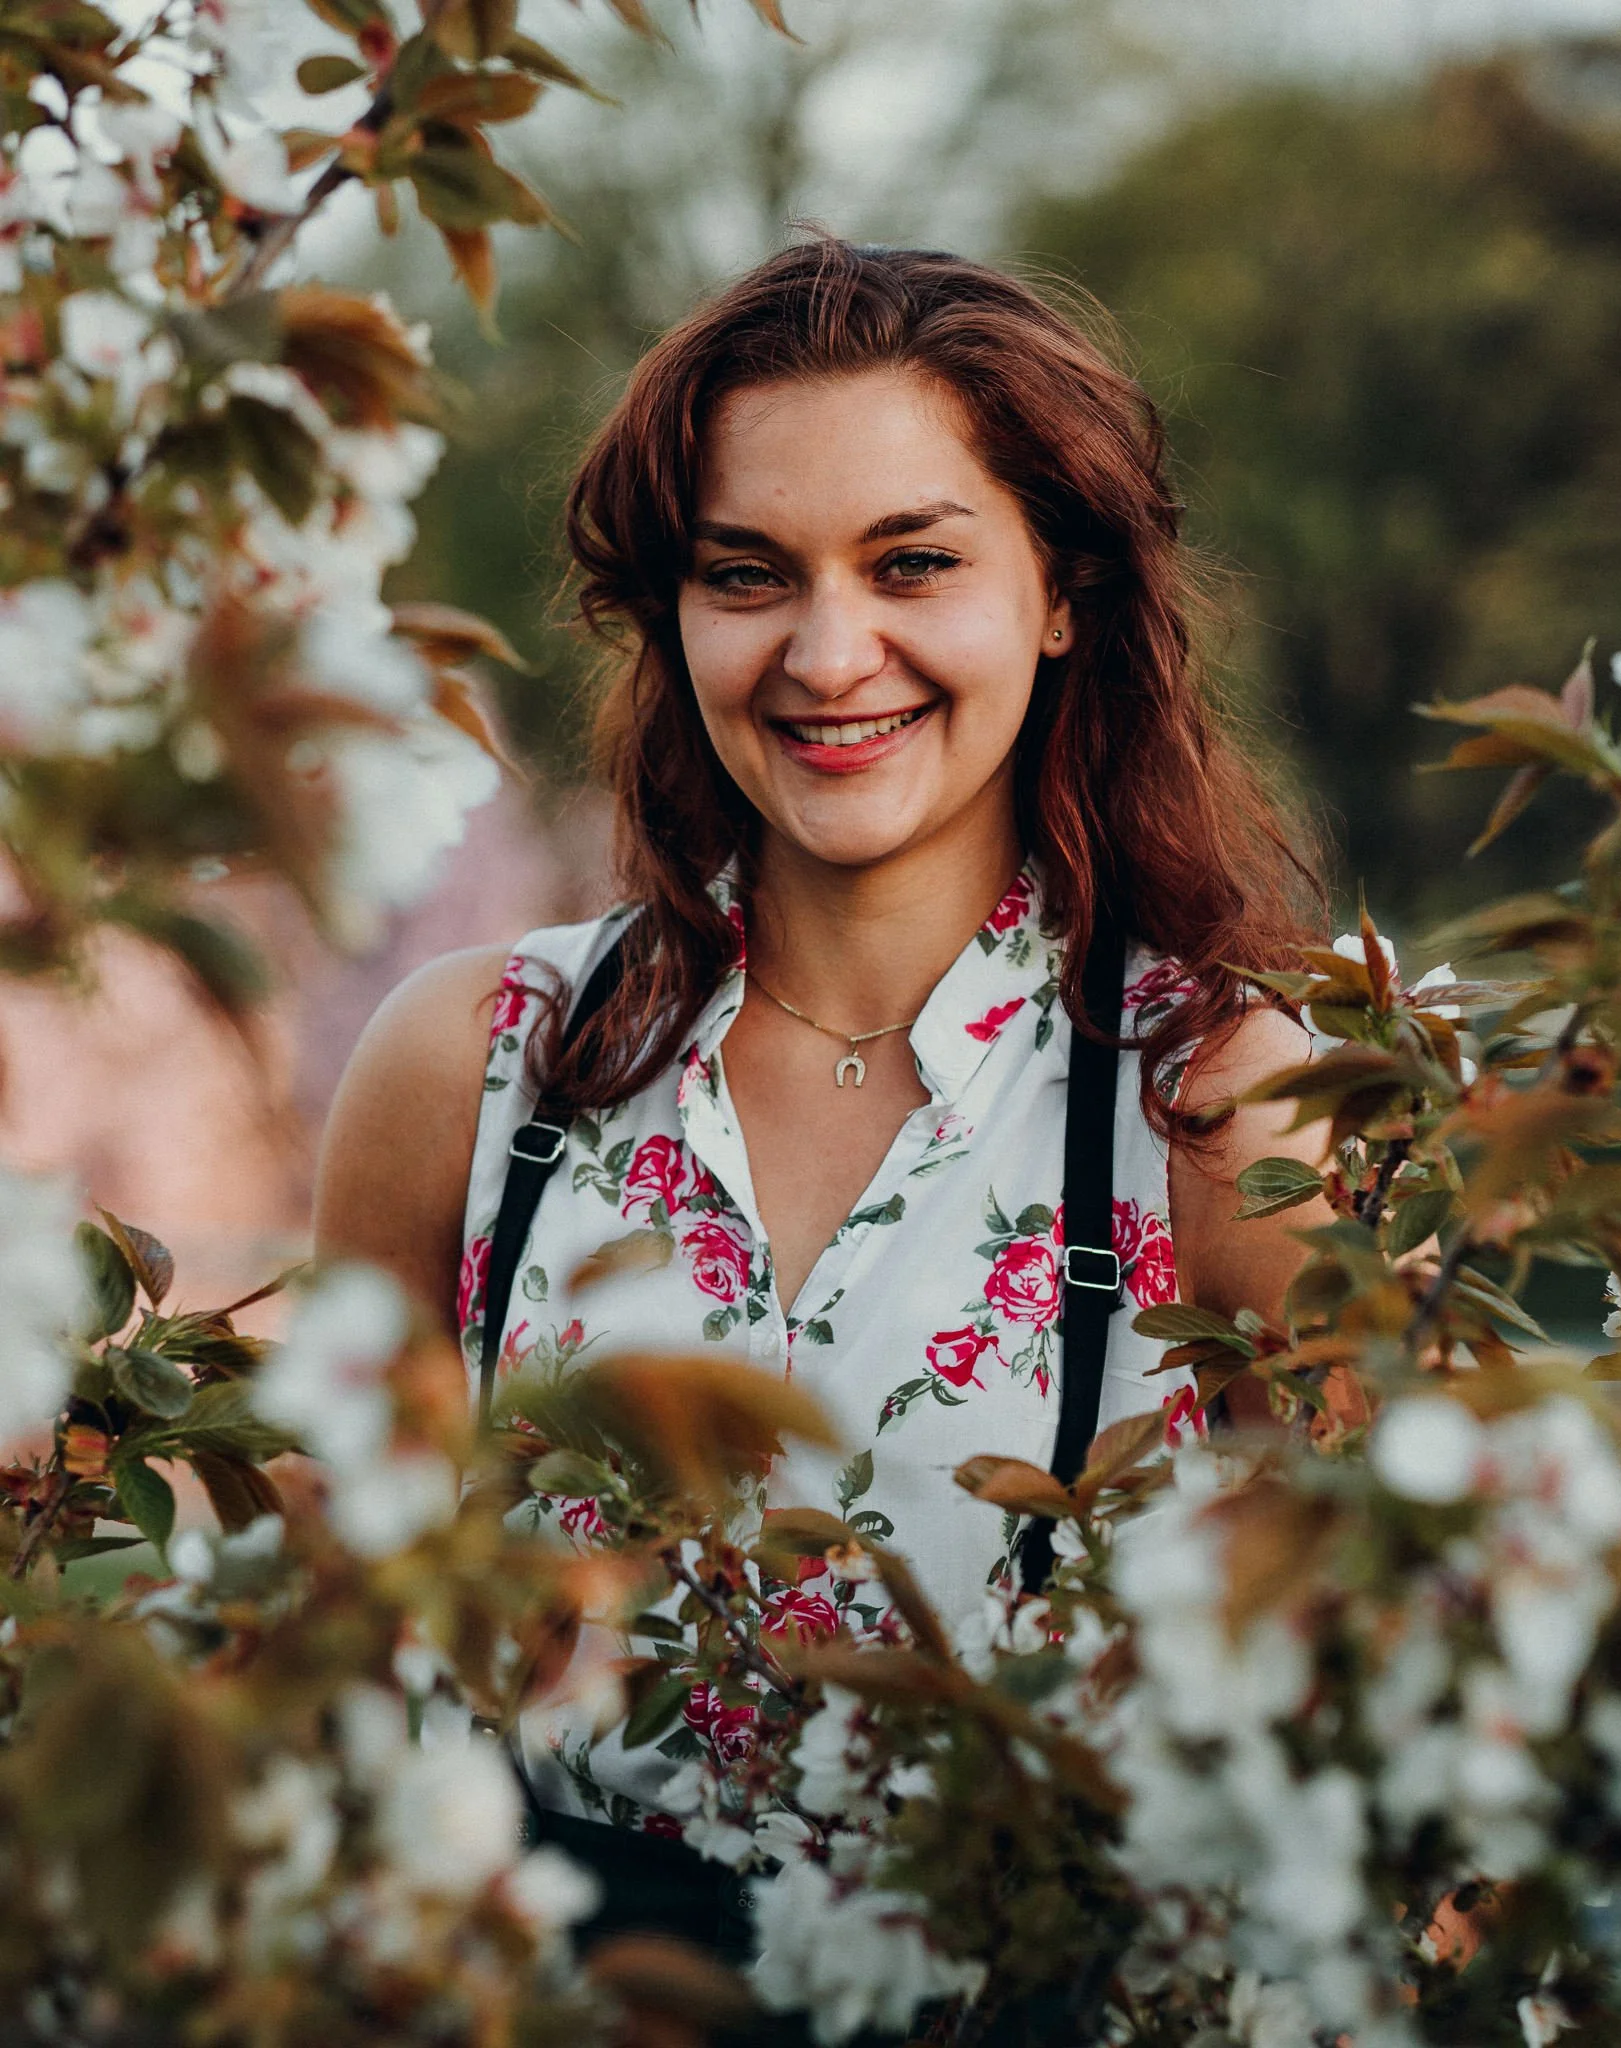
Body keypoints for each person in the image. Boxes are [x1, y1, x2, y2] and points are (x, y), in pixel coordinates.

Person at [315, 237, 1330, 1961]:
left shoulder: (1214, 1102)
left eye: (912, 562)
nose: (829, 651)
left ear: (1060, 593)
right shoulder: (476, 1061)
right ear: (673, 612)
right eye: (748, 573)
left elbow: (1383, 1730)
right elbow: (329, 1653)